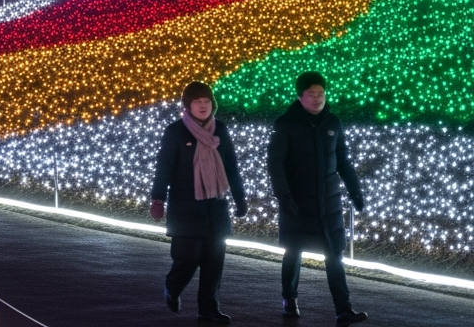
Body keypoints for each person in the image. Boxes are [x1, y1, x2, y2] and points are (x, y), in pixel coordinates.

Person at [268, 72, 368, 325]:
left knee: (334, 255)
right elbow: (275, 163)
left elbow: (343, 160)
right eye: (311, 94)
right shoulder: (286, 124)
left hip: (329, 202)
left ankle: (343, 309)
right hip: (297, 201)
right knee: (293, 251)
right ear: (300, 97)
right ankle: (289, 299)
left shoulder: (333, 122)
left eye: (320, 93)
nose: (317, 99)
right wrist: (284, 195)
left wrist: (355, 190)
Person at [150, 82, 247, 323]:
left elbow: (231, 166)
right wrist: (158, 198)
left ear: (212, 104)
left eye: (206, 102)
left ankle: (208, 310)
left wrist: (239, 197)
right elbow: (164, 168)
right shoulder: (175, 132)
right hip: (186, 207)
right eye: (197, 102)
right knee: (188, 257)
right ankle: (172, 287)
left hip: (215, 206)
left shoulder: (220, 130)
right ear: (188, 105)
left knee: (214, 262)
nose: (203, 106)